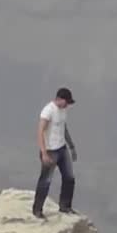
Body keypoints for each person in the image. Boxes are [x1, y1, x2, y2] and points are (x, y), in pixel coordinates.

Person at [33, 87, 78, 217]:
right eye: (66, 102)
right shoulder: (48, 111)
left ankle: (65, 206)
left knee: (69, 177)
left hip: (62, 148)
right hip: (50, 150)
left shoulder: (63, 111)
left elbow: (64, 128)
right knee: (45, 181)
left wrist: (71, 145)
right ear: (58, 99)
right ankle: (37, 209)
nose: (67, 105)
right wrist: (44, 153)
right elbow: (40, 131)